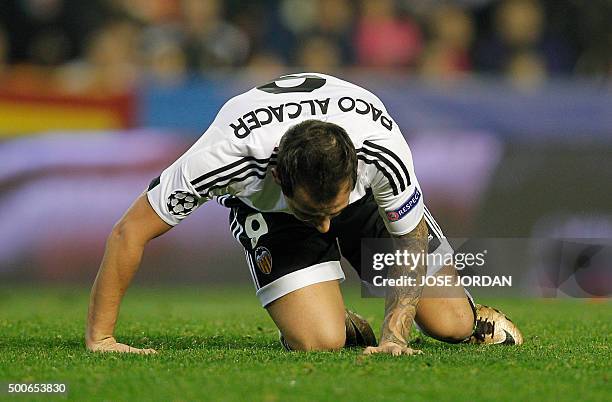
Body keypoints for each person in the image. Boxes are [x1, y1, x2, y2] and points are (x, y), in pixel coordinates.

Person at [86, 73, 523, 355]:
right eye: (315, 212)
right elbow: (129, 232)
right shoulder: (224, 158)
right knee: (320, 341)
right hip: (274, 217)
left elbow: (410, 239)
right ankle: (326, 315)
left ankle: (464, 309)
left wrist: (394, 336)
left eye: (331, 211)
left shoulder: (380, 152)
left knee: (450, 325)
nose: (327, 227)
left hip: (365, 203)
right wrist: (101, 337)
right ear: (277, 175)